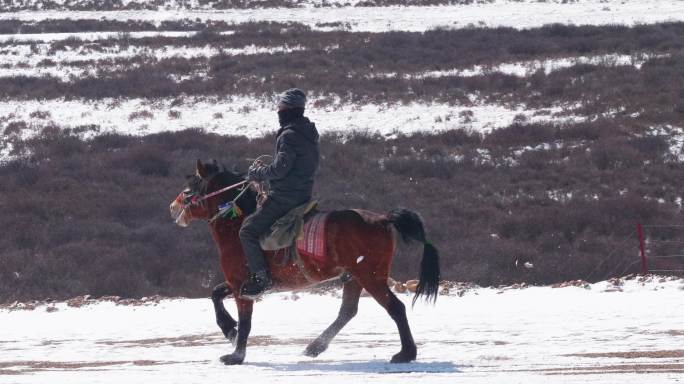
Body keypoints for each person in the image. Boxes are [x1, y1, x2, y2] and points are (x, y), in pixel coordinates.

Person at [239, 88, 320, 299]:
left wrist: (257, 173)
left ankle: (261, 278)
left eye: (281, 108)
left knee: (247, 231)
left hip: (285, 197)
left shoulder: (289, 136)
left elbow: (280, 169)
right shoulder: (308, 133)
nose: (278, 111)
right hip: (304, 195)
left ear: (289, 110)